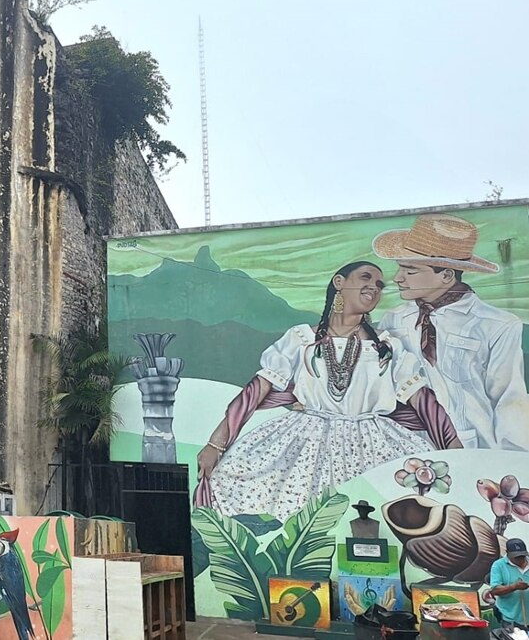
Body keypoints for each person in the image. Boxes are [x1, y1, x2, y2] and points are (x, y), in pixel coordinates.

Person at [195, 262, 461, 520]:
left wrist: (455, 450)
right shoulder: (301, 339)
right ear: (339, 283)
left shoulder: (387, 345)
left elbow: (423, 400)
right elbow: (256, 391)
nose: (374, 288)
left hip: (372, 442)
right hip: (307, 441)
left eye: (380, 285)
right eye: (366, 278)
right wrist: (215, 444)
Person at [374, 213, 529, 450]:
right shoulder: (393, 319)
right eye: (399, 268)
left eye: (410, 270)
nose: (397, 278)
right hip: (403, 447)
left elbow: (509, 399)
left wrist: (515, 462)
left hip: (474, 449)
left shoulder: (497, 324)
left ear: (446, 275)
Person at [491, 537, 529, 628]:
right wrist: (514, 587)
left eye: (522, 556)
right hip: (510, 619)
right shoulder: (498, 565)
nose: (520, 559)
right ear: (507, 553)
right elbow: (495, 590)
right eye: (516, 557)